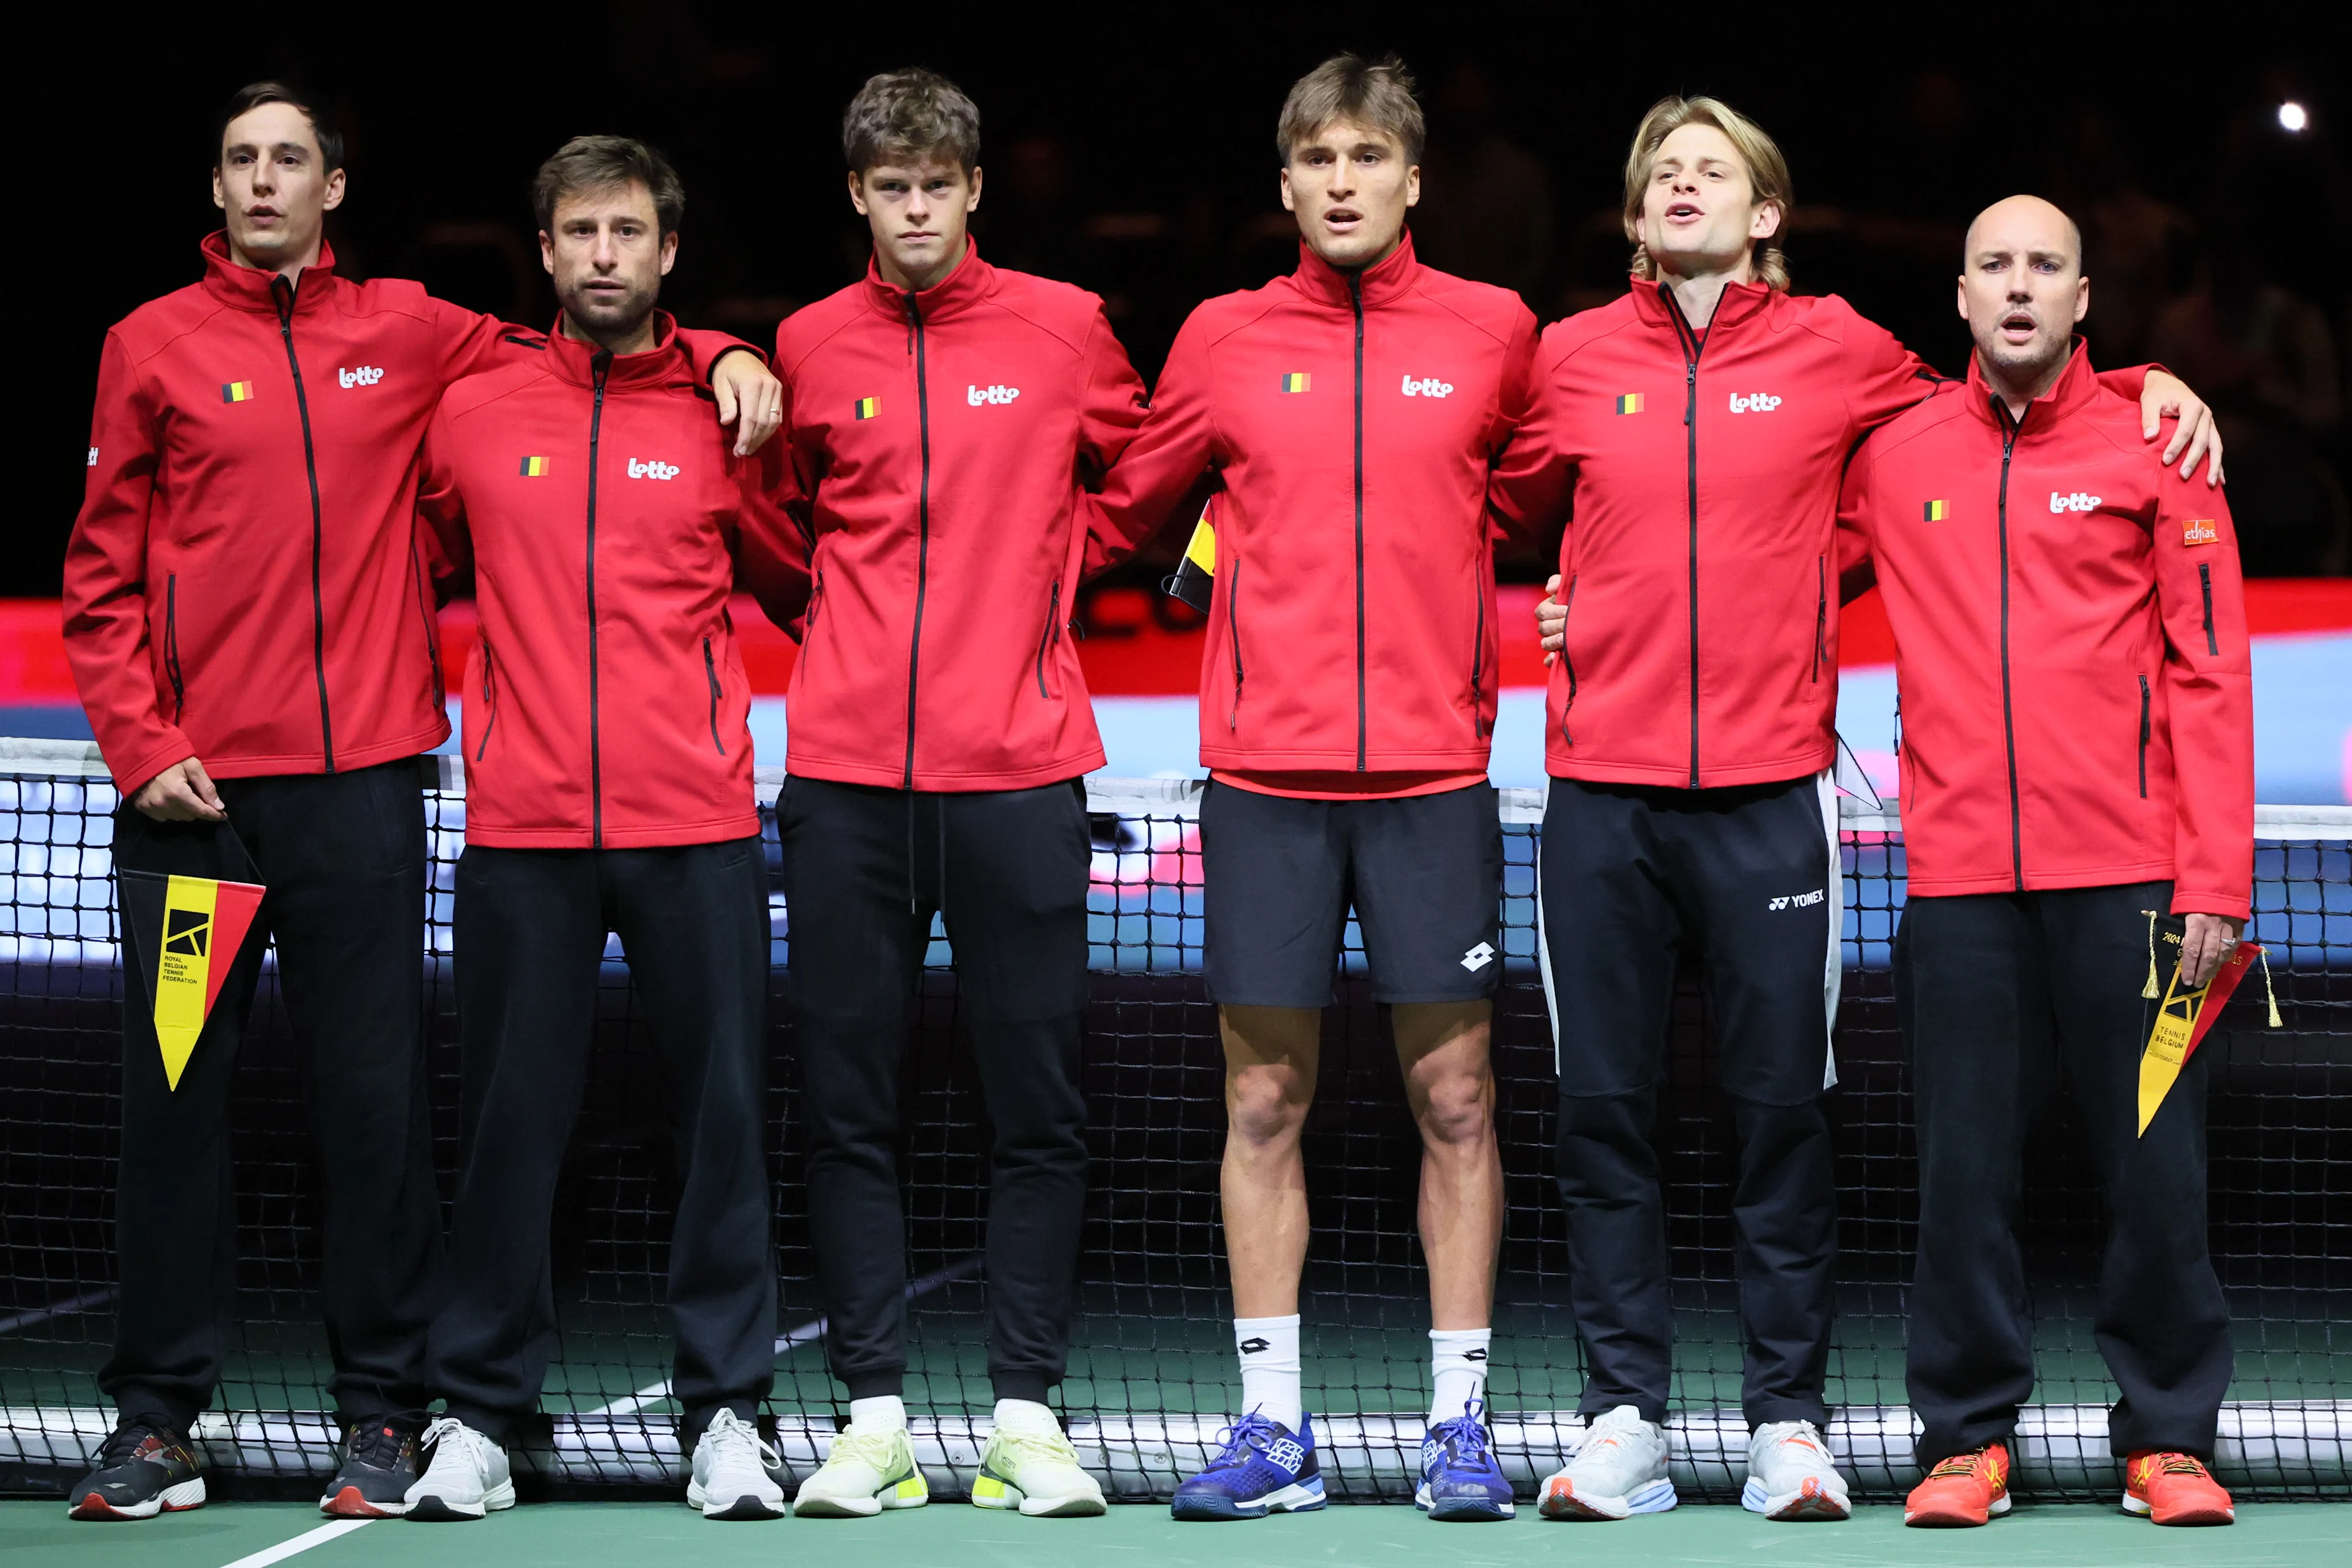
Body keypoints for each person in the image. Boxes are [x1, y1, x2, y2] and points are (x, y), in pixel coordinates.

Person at [59, 83, 780, 1523]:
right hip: (193, 814)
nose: (263, 179)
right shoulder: (148, 344)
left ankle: (385, 1411)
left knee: (376, 1114)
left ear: (335, 186)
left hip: (366, 802)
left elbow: (593, 341)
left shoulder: (417, 337)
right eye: (239, 157)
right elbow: (97, 572)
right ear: (217, 184)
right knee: (176, 1100)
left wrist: (735, 349)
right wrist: (141, 744)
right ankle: (155, 1420)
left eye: (289, 159)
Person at [1502, 97, 2220, 1525]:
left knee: (1833, 1124)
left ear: (1767, 210)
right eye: (1662, 171)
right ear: (1635, 212)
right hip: (1661, 807)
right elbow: (1505, 503)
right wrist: (1572, 596)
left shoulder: (1860, 362)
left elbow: (2021, 415)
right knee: (1635, 1123)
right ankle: (1642, 1418)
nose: (1684, 185)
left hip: (1967, 836)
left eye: (1714, 168)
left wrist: (2152, 377)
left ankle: (1804, 1426)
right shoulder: (1573, 358)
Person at [1087, 53, 1536, 1524]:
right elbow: (1121, 497)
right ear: (1285, 183)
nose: (1343, 181)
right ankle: (1272, 1426)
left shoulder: (1493, 333)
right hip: (1266, 778)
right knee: (1265, 1095)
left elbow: (1563, 487)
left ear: (1414, 178)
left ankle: (1458, 1424)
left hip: (1432, 774)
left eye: (1369, 156)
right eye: (1318, 158)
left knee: (1456, 1097)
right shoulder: (1221, 338)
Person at [391, 136, 803, 1524]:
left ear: (668, 251)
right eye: (580, 232)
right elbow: (407, 552)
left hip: (696, 823)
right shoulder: (474, 405)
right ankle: (484, 1416)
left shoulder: (726, 415)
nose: (606, 254)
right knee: (510, 1133)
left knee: (723, 1125)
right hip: (524, 826)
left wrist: (743, 361)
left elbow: (807, 575)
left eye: (630, 231)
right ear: (548, 253)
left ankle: (730, 1415)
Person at [1838, 195, 2250, 1531]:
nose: (2020, 288)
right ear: (1959, 296)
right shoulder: (1895, 455)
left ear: (2085, 298)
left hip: (2141, 885)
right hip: (1958, 881)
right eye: (1997, 267)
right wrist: (1573, 600)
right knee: (1963, 1172)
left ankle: (2171, 1436)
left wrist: (2216, 881)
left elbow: (2212, 666)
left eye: (2047, 268)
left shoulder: (2157, 442)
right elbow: (1759, 554)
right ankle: (1967, 1438)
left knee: (2159, 1163)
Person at [767, 68, 1145, 1520]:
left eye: (937, 182)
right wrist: (841, 632)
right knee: (850, 1108)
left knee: (1037, 1110)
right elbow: (761, 515)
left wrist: (1062, 560)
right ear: (856, 196)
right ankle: (872, 1419)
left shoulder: (1062, 328)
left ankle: (1024, 1417)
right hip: (849, 780)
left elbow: (1159, 468)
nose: (915, 206)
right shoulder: (806, 343)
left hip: (1021, 772)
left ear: (974, 190)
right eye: (889, 185)